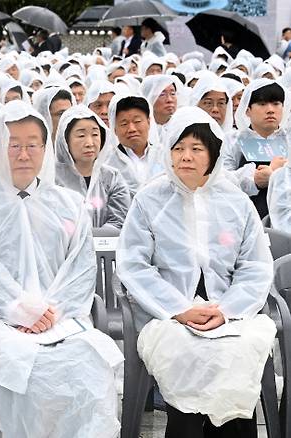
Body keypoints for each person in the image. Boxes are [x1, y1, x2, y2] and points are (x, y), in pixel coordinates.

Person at [0, 100, 123, 438]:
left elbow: (81, 266)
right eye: (13, 144)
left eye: (33, 145)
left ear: (45, 149)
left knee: (85, 367)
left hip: (62, 318)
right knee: (12, 371)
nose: (23, 154)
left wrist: (50, 311)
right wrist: (19, 308)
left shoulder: (68, 203)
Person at [116, 106, 275, 438]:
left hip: (230, 313)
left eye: (196, 148)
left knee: (238, 350)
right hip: (166, 315)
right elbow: (134, 264)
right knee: (187, 353)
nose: (185, 157)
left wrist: (228, 309)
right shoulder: (149, 199)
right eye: (178, 148)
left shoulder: (236, 201)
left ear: (213, 155)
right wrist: (180, 309)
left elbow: (255, 266)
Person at [55, 105, 131, 229]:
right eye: (81, 136)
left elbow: (119, 221)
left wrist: (93, 241)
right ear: (65, 140)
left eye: (95, 134)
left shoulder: (112, 178)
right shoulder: (53, 179)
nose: (90, 143)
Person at [222, 79, 289, 218]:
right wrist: (254, 180)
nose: (270, 110)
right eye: (262, 104)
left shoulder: (288, 140)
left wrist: (277, 175)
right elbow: (222, 180)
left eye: (276, 104)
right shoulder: (232, 141)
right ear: (247, 110)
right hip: (242, 216)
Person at [104, 94, 164, 196]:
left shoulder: (165, 155)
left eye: (137, 121)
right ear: (115, 129)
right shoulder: (107, 162)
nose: (131, 129)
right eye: (124, 124)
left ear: (149, 122)